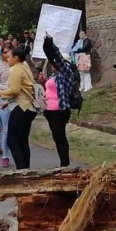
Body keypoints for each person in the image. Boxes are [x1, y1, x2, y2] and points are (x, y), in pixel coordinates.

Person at [0, 47, 36, 170]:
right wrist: (8, 101)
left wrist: (0, 94)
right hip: (28, 106)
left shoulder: (15, 69)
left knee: (12, 140)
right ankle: (25, 169)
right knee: (22, 140)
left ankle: (21, 169)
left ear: (16, 58)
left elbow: (15, 90)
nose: (7, 59)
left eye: (9, 57)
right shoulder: (25, 68)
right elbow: (23, 89)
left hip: (21, 107)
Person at [42, 35, 75, 167]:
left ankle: (64, 164)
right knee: (57, 137)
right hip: (50, 111)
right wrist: (47, 44)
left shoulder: (66, 73)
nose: (53, 63)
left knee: (60, 137)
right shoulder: (54, 75)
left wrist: (52, 44)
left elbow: (58, 58)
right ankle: (63, 163)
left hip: (59, 110)